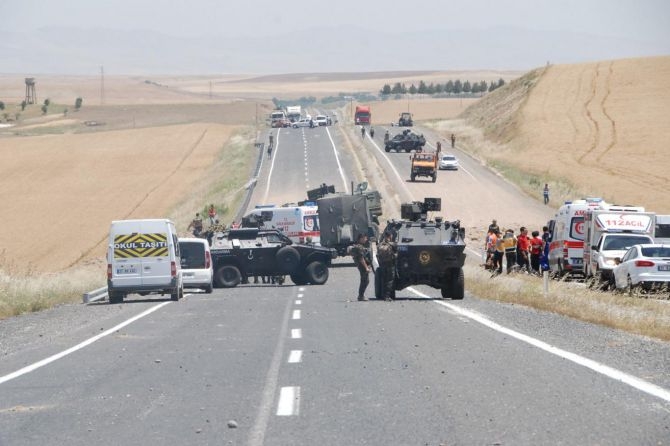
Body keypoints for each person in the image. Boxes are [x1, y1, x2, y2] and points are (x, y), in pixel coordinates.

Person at [350, 233, 371, 301]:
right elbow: (361, 259)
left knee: (365, 281)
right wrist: (366, 268)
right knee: (365, 281)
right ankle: (361, 296)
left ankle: (361, 295)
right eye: (365, 238)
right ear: (361, 238)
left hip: (361, 266)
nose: (366, 239)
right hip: (362, 266)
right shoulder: (359, 247)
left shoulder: (360, 246)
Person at [376, 231, 397, 301]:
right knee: (390, 280)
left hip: (382, 265)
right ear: (390, 236)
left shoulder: (380, 245)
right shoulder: (392, 244)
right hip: (390, 265)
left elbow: (377, 255)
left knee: (383, 279)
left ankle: (383, 295)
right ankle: (387, 296)